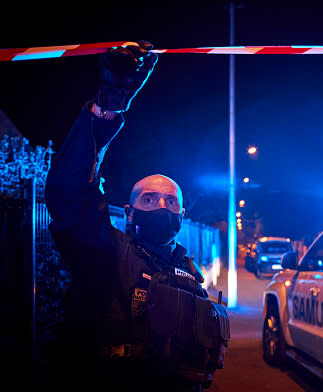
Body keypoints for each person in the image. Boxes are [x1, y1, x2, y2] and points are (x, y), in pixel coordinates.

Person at [44, 41, 227, 392]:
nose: (161, 205)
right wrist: (106, 108)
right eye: (148, 198)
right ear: (129, 213)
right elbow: (70, 193)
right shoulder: (104, 251)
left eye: (170, 201)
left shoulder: (189, 272)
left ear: (182, 213)